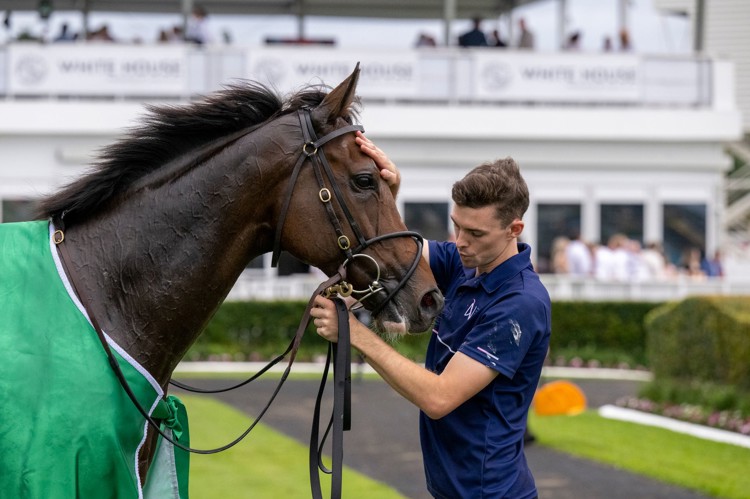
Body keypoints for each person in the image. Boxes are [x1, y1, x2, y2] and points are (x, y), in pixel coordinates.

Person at [311, 131, 551, 499]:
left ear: (513, 230)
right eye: (456, 225)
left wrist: (354, 334)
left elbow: (438, 398)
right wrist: (386, 195)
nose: (460, 241)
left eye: (475, 232)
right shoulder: (464, 262)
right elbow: (395, 251)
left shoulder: (520, 302)